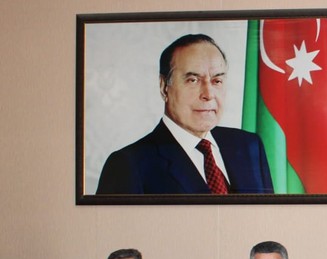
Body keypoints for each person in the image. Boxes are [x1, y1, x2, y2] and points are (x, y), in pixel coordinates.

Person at [96, 34, 273, 194]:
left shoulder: (249, 146)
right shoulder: (128, 165)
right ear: (164, 87)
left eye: (217, 80)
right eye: (193, 80)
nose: (208, 94)